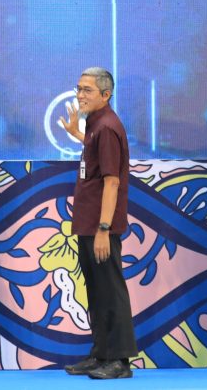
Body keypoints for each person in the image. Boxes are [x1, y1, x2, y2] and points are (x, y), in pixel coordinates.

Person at [58, 67, 137, 380]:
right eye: (78, 88)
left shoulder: (106, 127)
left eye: (87, 90)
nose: (80, 95)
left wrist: (104, 228)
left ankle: (119, 360)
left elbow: (112, 181)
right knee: (96, 291)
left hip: (100, 226)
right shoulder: (95, 126)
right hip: (89, 223)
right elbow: (96, 157)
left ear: (106, 94)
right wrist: (77, 135)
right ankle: (101, 353)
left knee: (110, 291)